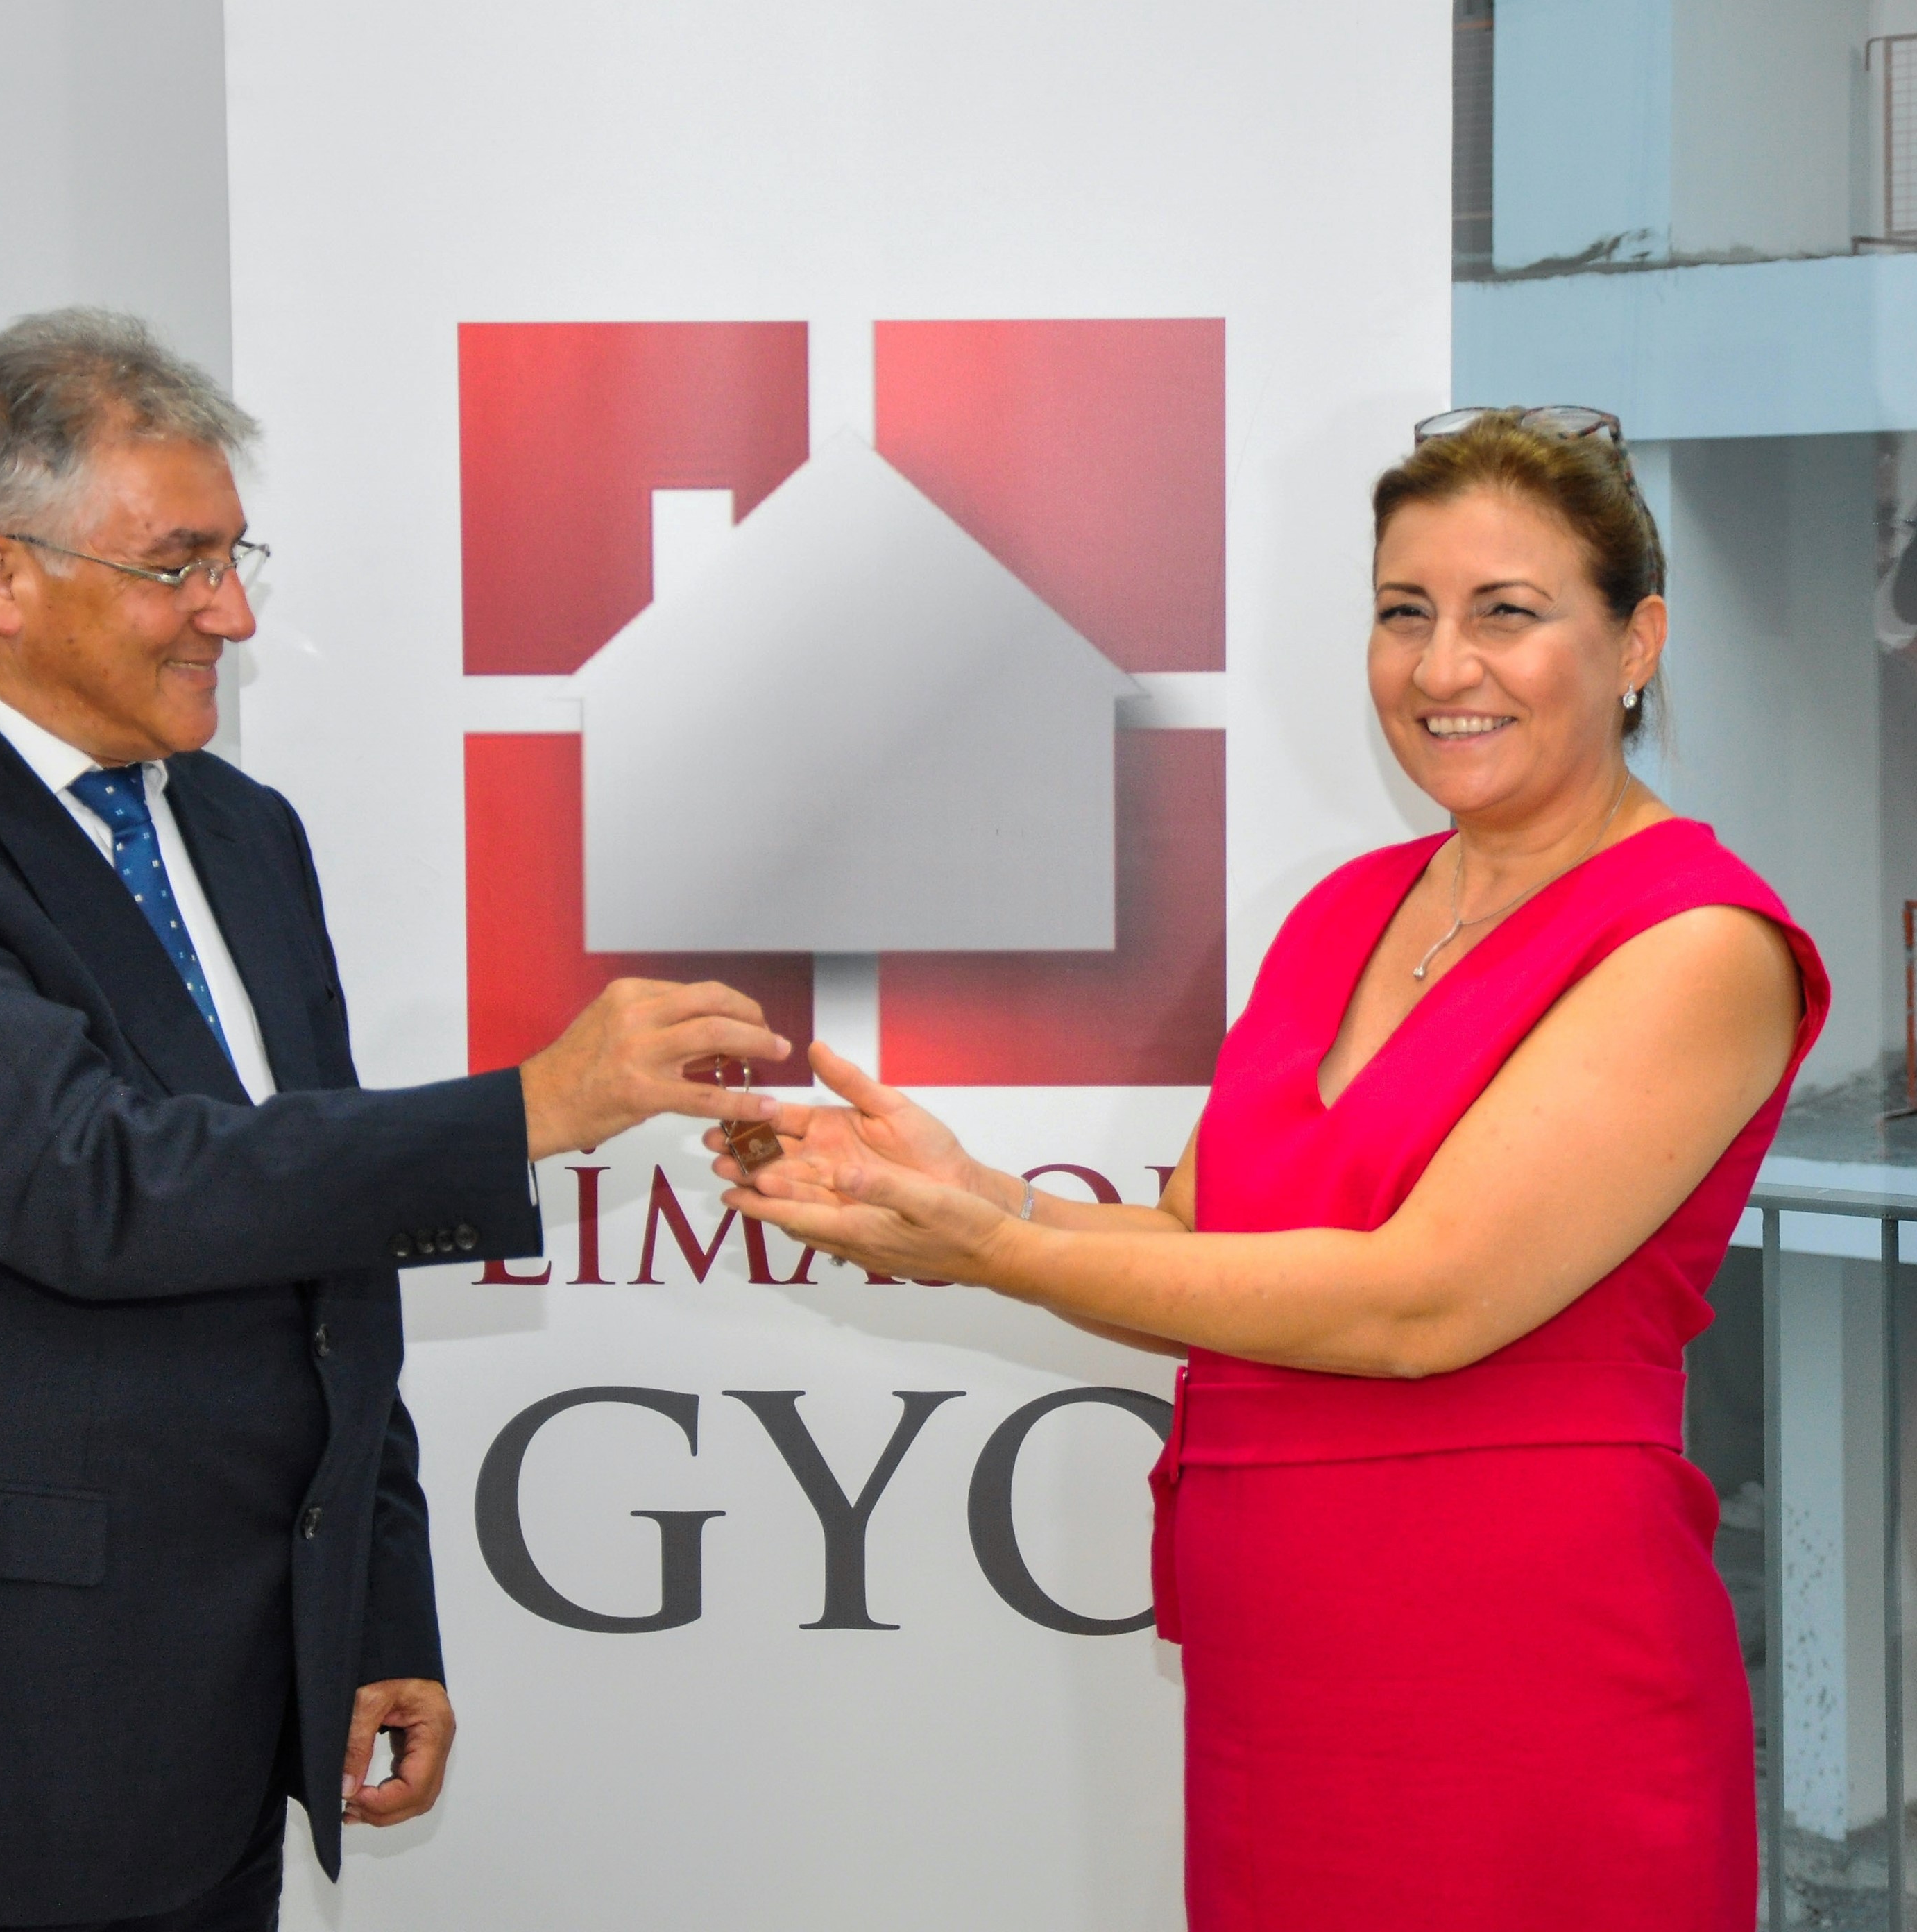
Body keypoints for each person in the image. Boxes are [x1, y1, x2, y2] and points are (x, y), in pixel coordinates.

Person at [0, 309, 788, 1932]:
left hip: (208, 1744)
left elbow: (322, 1250)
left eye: (232, 555)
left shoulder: (241, 830)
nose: (233, 611)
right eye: (177, 565)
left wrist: (375, 1610)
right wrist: (531, 1109)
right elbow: (88, 1185)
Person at [724, 407, 1828, 1931]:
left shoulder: (1694, 942)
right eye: (1403, 612)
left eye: (1506, 613)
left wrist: (992, 1248)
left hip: (1532, 1687)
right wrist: (965, 1198)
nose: (1441, 667)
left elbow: (1419, 1305)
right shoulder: (1343, 912)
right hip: (1285, 1694)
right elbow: (1200, 1246)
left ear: (1635, 641)